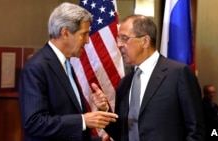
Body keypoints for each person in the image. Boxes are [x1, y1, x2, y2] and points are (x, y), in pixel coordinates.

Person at [91, 14, 205, 141]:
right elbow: (122, 134)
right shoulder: (125, 83)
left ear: (145, 41)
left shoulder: (179, 74)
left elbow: (196, 130)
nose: (119, 44)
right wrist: (104, 109)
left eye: (124, 38)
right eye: (118, 39)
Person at [18, 2, 118, 141]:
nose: (88, 41)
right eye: (84, 34)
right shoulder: (36, 67)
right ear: (65, 33)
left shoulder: (66, 64)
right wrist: (83, 121)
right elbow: (34, 124)